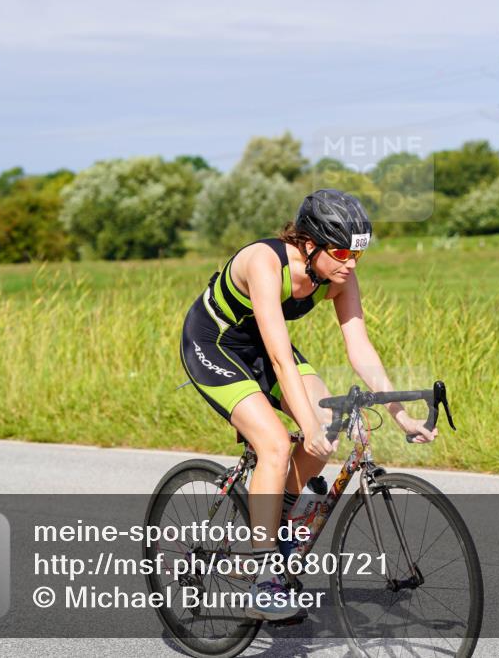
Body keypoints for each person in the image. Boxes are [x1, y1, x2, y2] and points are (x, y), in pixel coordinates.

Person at [179, 188, 437, 620]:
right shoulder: (266, 262)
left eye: (357, 254)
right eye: (341, 252)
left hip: (262, 346)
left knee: (331, 422)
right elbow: (280, 359)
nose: (350, 264)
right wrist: (306, 426)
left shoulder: (339, 276)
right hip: (214, 345)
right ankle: (264, 579)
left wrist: (401, 416)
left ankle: (273, 524)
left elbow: (361, 349)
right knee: (277, 445)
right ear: (309, 243)